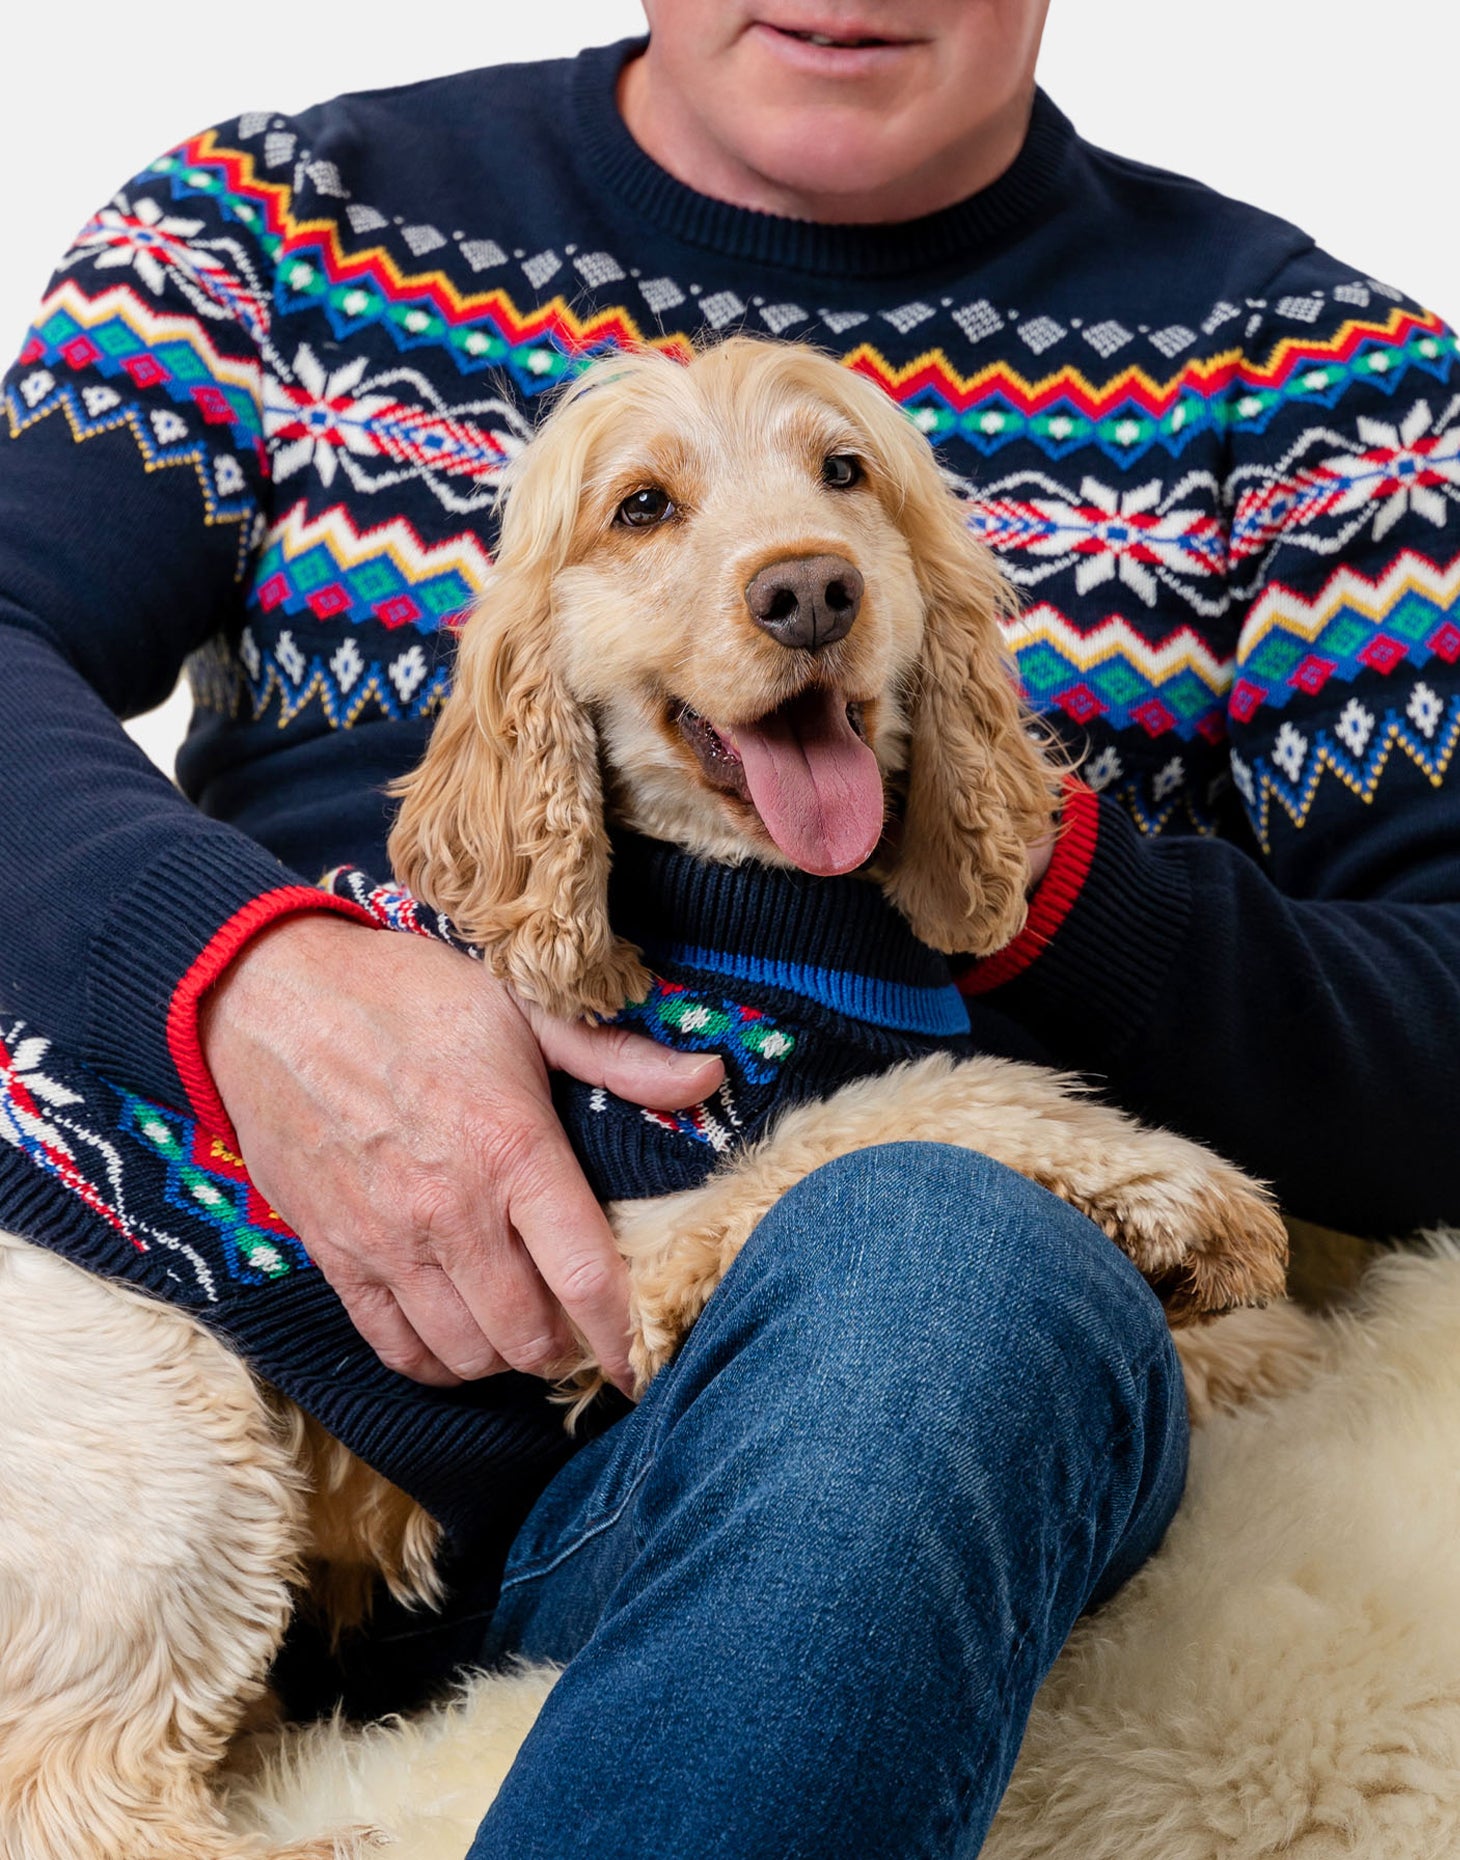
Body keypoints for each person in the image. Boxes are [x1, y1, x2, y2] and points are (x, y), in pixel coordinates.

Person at [1, 2, 1457, 1851]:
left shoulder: (1327, 386)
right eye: (649, 518)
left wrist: (1007, 879)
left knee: (953, 1258)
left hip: (820, 1459)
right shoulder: (281, 219)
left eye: (841, 497)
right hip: (264, 1400)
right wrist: (251, 974)